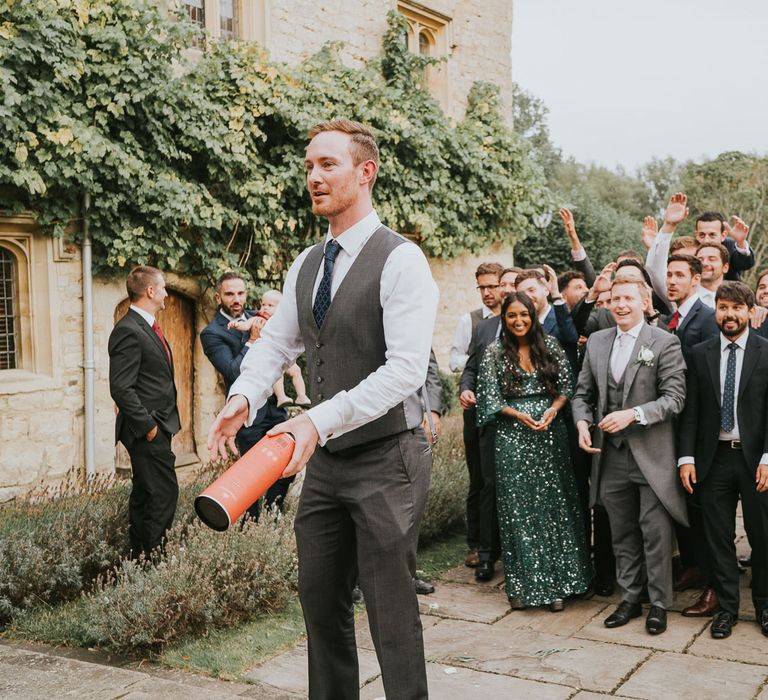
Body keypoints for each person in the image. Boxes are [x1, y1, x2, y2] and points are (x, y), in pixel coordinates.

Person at [207, 119, 438, 700]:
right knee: (320, 605)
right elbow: (278, 343)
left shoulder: (401, 260)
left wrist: (315, 418)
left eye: (327, 164)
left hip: (389, 460)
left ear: (366, 172)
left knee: (391, 616)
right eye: (309, 165)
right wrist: (242, 398)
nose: (313, 176)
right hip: (328, 466)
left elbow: (407, 370)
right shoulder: (307, 262)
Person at [572, 280, 687, 635]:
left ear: (643, 302)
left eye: (627, 299)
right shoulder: (597, 341)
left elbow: (674, 398)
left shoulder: (664, 342)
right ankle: (630, 598)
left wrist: (633, 414)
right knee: (621, 532)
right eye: (614, 299)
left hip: (650, 454)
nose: (620, 305)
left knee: (654, 532)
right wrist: (581, 422)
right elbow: (582, 393)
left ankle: (659, 604)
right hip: (609, 455)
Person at [476, 292, 592, 611]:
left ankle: (558, 585)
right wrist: (518, 415)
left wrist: (553, 410)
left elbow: (568, 387)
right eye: (512, 315)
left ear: (533, 315)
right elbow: (489, 398)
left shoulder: (551, 346)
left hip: (549, 434)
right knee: (519, 511)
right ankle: (523, 586)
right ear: (505, 318)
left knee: (554, 506)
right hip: (512, 438)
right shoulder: (494, 352)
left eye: (524, 315)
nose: (518, 321)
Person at [678, 281, 768, 639]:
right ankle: (728, 608)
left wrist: (767, 458)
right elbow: (692, 412)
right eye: (722, 307)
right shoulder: (700, 353)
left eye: (735, 308)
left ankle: (763, 604)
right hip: (713, 459)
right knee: (718, 537)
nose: (728, 314)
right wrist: (686, 456)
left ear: (749, 311)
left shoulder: (766, 352)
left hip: (755, 461)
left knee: (762, 536)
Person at [200, 273, 293, 518]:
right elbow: (232, 369)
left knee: (285, 463)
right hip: (248, 414)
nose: (237, 299)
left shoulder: (259, 316)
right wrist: (252, 341)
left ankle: (275, 511)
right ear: (219, 297)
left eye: (241, 293)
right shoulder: (212, 333)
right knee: (249, 473)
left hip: (276, 407)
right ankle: (251, 522)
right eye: (230, 294)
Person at [661, 254, 720, 616]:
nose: (671, 280)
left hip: (701, 430)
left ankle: (715, 585)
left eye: (679, 275)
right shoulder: (675, 317)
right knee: (686, 505)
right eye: (668, 274)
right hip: (675, 426)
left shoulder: (707, 318)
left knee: (706, 510)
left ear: (696, 280)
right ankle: (695, 566)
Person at [108, 266, 180, 559]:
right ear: (150, 291)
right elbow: (121, 388)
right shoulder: (128, 330)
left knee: (145, 494)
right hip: (147, 430)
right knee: (163, 495)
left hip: (157, 425)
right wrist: (149, 426)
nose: (165, 293)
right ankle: (153, 563)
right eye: (162, 288)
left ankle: (138, 558)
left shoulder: (146, 327)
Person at [451, 262, 504, 568]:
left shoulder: (517, 317)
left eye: (491, 286)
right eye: (481, 287)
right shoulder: (470, 321)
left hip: (506, 412)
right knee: (478, 478)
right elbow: (457, 357)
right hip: (476, 408)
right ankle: (476, 543)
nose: (486, 293)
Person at [646, 193, 753, 307]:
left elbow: (745, 262)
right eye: (700, 259)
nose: (705, 263)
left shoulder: (740, 299)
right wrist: (669, 225)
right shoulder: (681, 293)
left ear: (725, 266)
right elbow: (655, 270)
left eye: (712, 259)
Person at [515, 267, 579, 375]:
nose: (528, 296)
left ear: (545, 290)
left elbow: (571, 337)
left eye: (531, 290)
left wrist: (555, 294)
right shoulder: (519, 325)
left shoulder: (561, 318)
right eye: (522, 294)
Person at [260, 290, 312, 408]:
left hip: (284, 355)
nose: (265, 308)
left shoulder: (283, 322)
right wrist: (239, 325)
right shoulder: (260, 320)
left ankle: (301, 396)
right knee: (278, 374)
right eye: (263, 305)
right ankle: (281, 397)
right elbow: (248, 324)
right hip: (270, 356)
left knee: (296, 371)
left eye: (270, 305)